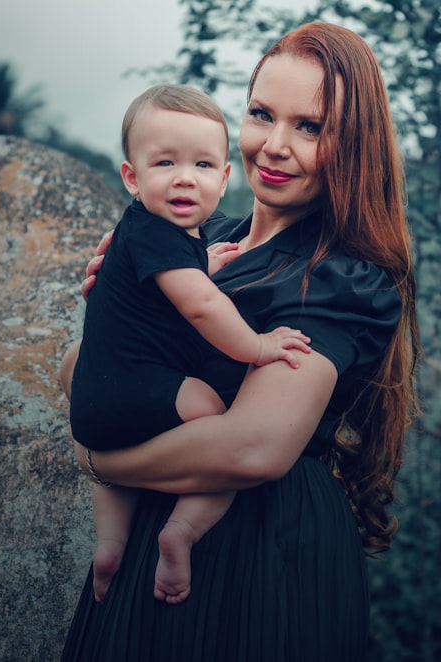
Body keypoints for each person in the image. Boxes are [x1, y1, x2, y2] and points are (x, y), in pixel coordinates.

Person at [59, 21, 419, 661]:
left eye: (310, 127)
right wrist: (116, 317)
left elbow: (254, 448)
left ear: (353, 146)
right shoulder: (194, 238)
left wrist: (98, 463)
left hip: (259, 547)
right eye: (261, 114)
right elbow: (81, 377)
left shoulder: (341, 277)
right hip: (157, 538)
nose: (275, 145)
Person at [66, 84, 312, 605]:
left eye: (202, 165)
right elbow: (201, 305)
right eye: (165, 163)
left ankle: (109, 547)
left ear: (223, 180)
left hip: (94, 406)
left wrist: (204, 265)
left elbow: (178, 279)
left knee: (110, 470)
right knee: (215, 417)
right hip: (140, 389)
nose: (184, 177)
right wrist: (259, 348)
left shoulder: (159, 233)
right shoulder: (161, 233)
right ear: (131, 176)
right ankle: (182, 529)